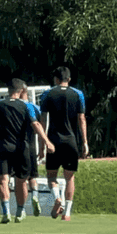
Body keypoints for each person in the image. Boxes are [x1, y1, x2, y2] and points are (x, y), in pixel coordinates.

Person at [0, 78, 54, 223]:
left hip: (4, 147)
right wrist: (46, 141)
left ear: (9, 90)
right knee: (21, 181)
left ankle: (6, 212)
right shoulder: (26, 106)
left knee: (3, 180)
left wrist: (3, 128)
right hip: (22, 148)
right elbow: (36, 123)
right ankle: (19, 211)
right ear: (20, 91)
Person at [40, 66, 88, 220]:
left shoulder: (48, 94)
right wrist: (85, 142)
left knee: (51, 176)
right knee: (69, 178)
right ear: (69, 79)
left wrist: (43, 144)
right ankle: (67, 213)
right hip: (71, 141)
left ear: (55, 79)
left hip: (53, 140)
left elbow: (43, 120)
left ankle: (56, 198)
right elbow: (81, 119)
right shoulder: (78, 94)